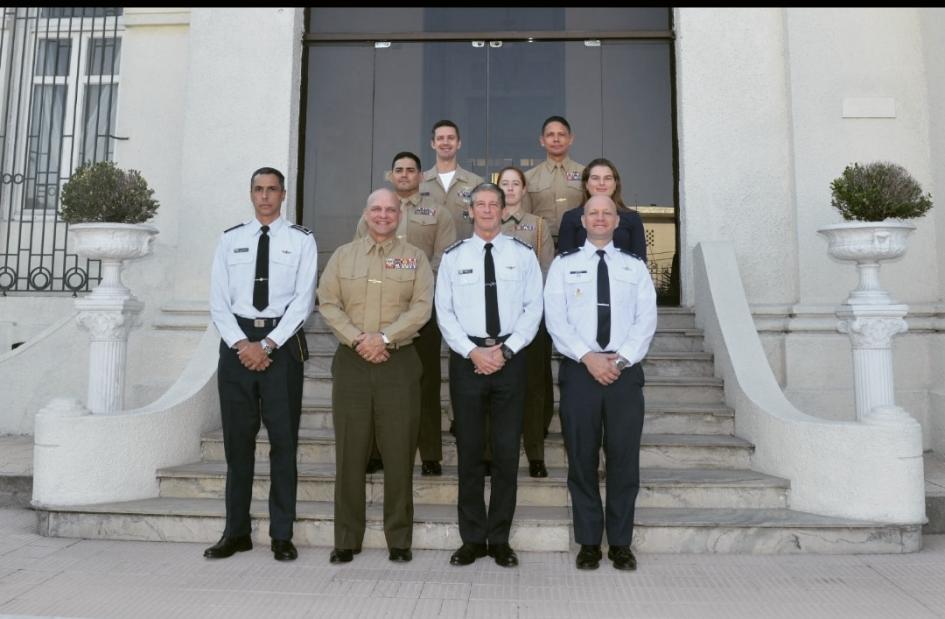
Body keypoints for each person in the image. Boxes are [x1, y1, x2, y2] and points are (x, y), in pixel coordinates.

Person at [206, 166, 318, 562]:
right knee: (238, 446)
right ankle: (235, 532)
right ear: (250, 193)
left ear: (283, 194)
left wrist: (267, 345)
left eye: (272, 190)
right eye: (258, 189)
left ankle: (281, 535)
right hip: (236, 348)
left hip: (281, 349)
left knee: (283, 446)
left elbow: (303, 302)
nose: (265, 196)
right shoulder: (230, 239)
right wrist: (242, 344)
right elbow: (218, 302)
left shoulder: (302, 241)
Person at [320, 188, 434, 564]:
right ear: (366, 214)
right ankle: (346, 539)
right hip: (352, 362)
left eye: (390, 209)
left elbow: (421, 307)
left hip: (398, 361)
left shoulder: (415, 258)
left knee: (400, 453)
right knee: (350, 453)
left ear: (400, 214)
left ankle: (399, 539)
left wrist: (384, 338)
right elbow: (328, 303)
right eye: (376, 209)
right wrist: (359, 340)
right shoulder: (342, 256)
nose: (383, 215)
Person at [544, 194, 657, 572]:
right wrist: (588, 357)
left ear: (617, 221)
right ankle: (589, 542)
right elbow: (556, 319)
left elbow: (646, 319)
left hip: (624, 374)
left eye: (607, 213)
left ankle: (621, 543)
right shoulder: (563, 266)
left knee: (624, 460)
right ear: (582, 219)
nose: (600, 218)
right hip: (580, 372)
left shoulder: (635, 267)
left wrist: (620, 359)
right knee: (582, 458)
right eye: (593, 212)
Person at [436, 182, 543, 568]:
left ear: (503, 208)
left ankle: (499, 539)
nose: (485, 210)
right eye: (478, 204)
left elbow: (534, 308)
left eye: (492, 204)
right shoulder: (453, 256)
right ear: (470, 210)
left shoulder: (523, 254)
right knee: (468, 453)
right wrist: (473, 352)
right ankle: (471, 539)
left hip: (510, 362)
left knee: (504, 452)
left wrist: (506, 350)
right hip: (468, 362)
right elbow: (444, 312)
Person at [356, 152, 456, 476]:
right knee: (377, 385)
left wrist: (419, 286)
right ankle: (376, 452)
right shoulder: (374, 213)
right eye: (398, 170)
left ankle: (430, 454)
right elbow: (360, 256)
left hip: (420, 312)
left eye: (410, 170)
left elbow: (444, 257)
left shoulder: (437, 213)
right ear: (390, 174)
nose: (404, 175)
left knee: (424, 384)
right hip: (379, 312)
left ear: (420, 176)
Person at [497, 166, 554, 478]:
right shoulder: (489, 223)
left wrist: (530, 310)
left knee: (534, 387)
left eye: (515, 183)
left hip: (531, 318)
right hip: (497, 321)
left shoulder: (539, 225)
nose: (509, 189)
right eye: (504, 184)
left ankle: (535, 454)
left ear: (524, 189)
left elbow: (547, 271)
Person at [556, 157, 647, 260]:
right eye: (595, 178)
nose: (602, 183)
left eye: (607, 178)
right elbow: (565, 263)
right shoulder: (570, 218)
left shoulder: (632, 218)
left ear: (616, 184)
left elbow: (640, 263)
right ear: (586, 184)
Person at [523, 115, 585, 241]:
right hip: (541, 244)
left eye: (561, 134)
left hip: (579, 243)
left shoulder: (586, 174)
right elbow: (524, 218)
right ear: (542, 140)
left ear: (570, 139)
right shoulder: (528, 177)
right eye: (550, 135)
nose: (556, 139)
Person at [421, 119, 484, 240]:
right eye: (440, 138)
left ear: (459, 143)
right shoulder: (420, 183)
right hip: (429, 257)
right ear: (433, 144)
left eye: (450, 138)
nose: (445, 142)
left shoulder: (476, 183)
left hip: (464, 256)